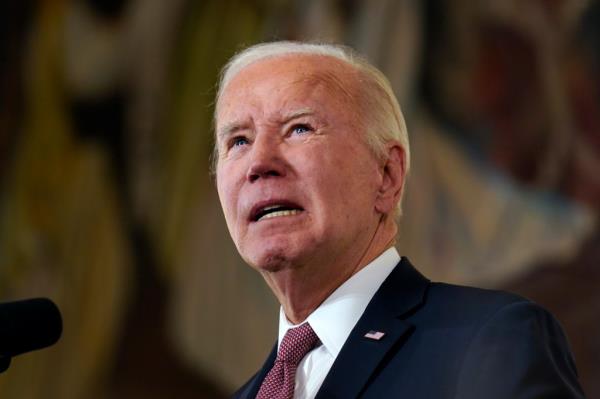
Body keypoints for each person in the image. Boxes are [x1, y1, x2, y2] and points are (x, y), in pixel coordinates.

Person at [213, 41, 584, 399]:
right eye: (239, 141)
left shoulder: (490, 342)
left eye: (299, 129)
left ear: (387, 174)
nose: (259, 163)